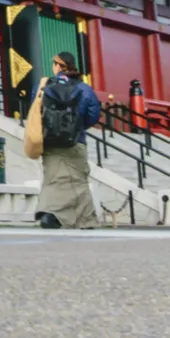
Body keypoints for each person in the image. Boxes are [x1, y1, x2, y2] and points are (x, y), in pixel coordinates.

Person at [32, 51, 106, 229]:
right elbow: (94, 114)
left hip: (50, 141)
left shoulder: (44, 85)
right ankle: (85, 220)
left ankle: (50, 216)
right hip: (76, 141)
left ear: (57, 66)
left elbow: (35, 108)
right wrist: (77, 127)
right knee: (79, 180)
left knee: (53, 178)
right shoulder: (84, 88)